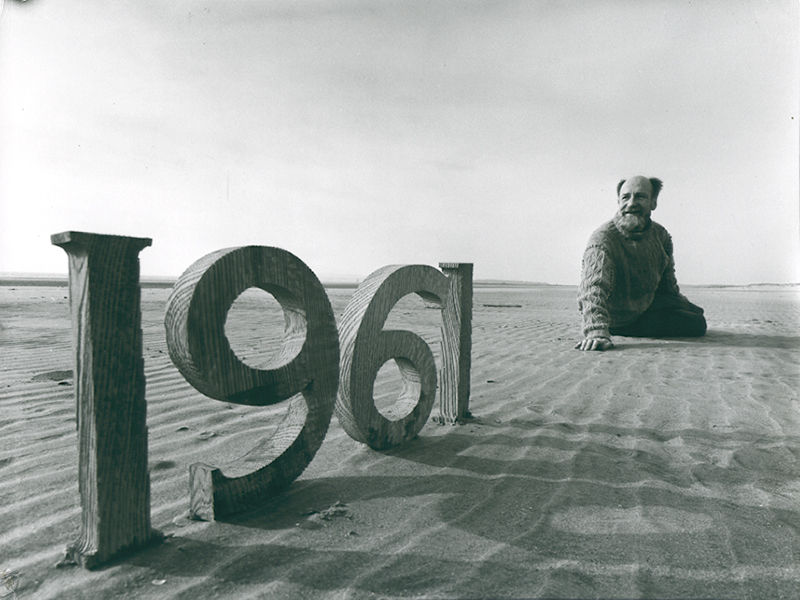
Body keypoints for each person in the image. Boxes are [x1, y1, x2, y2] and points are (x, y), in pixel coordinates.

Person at [575, 176, 706, 351]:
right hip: (619, 318)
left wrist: (683, 306)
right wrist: (596, 331)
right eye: (625, 197)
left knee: (696, 314)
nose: (631, 203)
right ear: (618, 201)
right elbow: (592, 289)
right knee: (696, 324)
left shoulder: (661, 236)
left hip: (648, 304)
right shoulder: (603, 239)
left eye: (640, 197)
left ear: (653, 202)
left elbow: (668, 287)